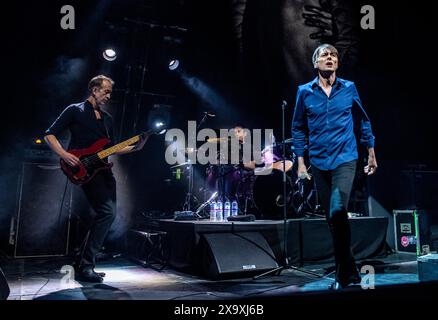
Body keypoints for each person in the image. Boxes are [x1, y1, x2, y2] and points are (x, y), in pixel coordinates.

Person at [44, 75, 147, 283]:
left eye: (110, 92)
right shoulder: (75, 110)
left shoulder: (107, 119)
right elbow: (49, 134)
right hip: (83, 168)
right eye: (105, 91)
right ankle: (85, 264)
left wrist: (137, 146)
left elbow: (113, 148)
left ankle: (82, 262)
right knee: (107, 212)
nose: (108, 96)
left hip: (104, 171)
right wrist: (64, 154)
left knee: (108, 214)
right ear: (94, 89)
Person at [291, 44, 377, 290]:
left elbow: (363, 120)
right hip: (318, 161)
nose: (330, 58)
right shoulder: (304, 92)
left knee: (338, 210)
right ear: (315, 63)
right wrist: (300, 162)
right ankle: (347, 270)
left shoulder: (349, 88)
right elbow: (297, 128)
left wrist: (370, 152)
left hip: (345, 158)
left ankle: (344, 273)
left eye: (334, 56)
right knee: (332, 217)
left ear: (337, 63)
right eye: (324, 55)